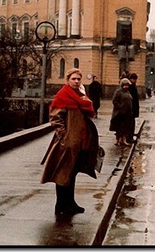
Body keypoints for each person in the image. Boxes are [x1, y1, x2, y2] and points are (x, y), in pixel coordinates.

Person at [40, 68, 100, 216]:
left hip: (79, 141)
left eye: (78, 79)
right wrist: (64, 136)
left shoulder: (80, 96)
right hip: (66, 144)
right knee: (62, 174)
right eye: (73, 79)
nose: (76, 81)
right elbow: (55, 118)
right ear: (67, 80)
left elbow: (89, 113)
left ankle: (70, 203)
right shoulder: (63, 95)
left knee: (72, 173)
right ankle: (60, 205)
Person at [109, 78, 135, 147]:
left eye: (127, 85)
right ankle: (117, 140)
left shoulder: (127, 92)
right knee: (118, 128)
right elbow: (114, 101)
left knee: (125, 128)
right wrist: (120, 106)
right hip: (119, 113)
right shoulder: (118, 91)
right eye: (125, 85)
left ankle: (123, 140)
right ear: (122, 85)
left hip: (127, 113)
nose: (126, 86)